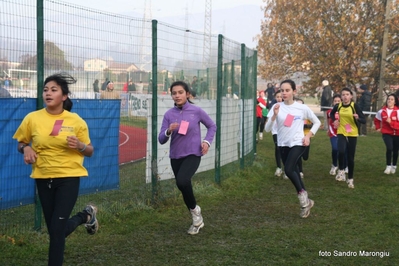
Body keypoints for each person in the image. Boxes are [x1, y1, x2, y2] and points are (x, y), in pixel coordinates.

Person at [12, 73, 98, 266]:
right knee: (55, 229)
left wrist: (79, 146)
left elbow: (90, 151)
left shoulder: (76, 121)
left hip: (68, 177)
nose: (48, 93)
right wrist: (26, 148)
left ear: (64, 96)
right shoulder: (32, 118)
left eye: (53, 90)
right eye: (45, 90)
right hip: (42, 177)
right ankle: (86, 216)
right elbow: (21, 142)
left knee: (57, 230)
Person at [158, 81, 216, 235]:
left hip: (193, 154)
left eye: (180, 92)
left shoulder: (196, 111)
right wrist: (168, 131)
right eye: (174, 93)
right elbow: (161, 139)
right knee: (183, 186)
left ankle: (196, 213)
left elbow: (212, 126)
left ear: (187, 94)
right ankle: (196, 214)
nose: (177, 95)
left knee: (182, 181)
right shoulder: (169, 114)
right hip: (176, 156)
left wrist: (206, 141)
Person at [265, 79, 321, 218]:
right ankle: (307, 201)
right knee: (294, 170)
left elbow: (317, 122)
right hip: (283, 144)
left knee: (289, 170)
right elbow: (267, 129)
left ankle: (302, 199)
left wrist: (308, 136)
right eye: (282, 90)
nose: (284, 93)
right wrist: (274, 116)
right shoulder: (276, 107)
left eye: (287, 90)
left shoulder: (301, 108)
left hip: (298, 142)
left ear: (294, 92)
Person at [330, 88, 366, 189]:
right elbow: (331, 114)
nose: (345, 96)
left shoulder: (355, 106)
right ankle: (341, 170)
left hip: (352, 133)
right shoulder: (338, 106)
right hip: (341, 131)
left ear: (351, 96)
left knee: (350, 157)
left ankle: (350, 178)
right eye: (343, 95)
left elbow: (364, 120)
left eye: (347, 94)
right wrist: (334, 121)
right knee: (341, 151)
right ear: (341, 97)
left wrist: (358, 117)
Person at [374, 94, 399, 174]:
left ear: (395, 102)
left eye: (392, 99)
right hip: (386, 133)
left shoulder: (398, 111)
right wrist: (378, 127)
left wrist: (391, 122)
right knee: (389, 148)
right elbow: (377, 119)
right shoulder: (382, 111)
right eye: (388, 99)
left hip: (397, 134)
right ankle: (388, 166)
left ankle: (394, 165)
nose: (389, 100)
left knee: (395, 150)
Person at [327, 94, 344, 176]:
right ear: (333, 102)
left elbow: (348, 122)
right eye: (335, 101)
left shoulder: (344, 110)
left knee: (343, 150)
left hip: (343, 132)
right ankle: (334, 165)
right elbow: (329, 120)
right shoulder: (329, 112)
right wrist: (328, 129)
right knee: (335, 148)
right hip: (333, 132)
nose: (337, 102)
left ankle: (344, 166)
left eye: (338, 101)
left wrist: (348, 131)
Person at [270, 90, 283, 177]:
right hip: (275, 131)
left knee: (285, 149)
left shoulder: (288, 107)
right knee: (277, 148)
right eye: (277, 97)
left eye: (280, 96)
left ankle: (288, 168)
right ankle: (279, 167)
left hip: (285, 131)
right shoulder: (274, 106)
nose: (279, 98)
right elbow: (270, 118)